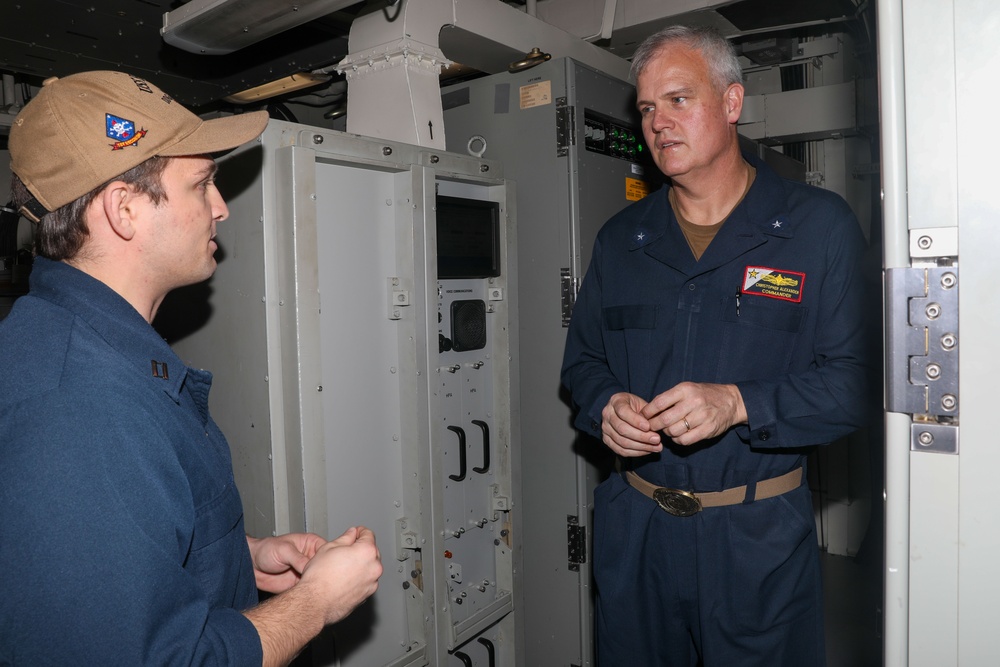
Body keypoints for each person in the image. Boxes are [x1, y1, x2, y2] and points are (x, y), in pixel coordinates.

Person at [0, 71, 382, 666]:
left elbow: (110, 557)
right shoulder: (75, 408)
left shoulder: (94, 350)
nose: (221, 209)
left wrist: (238, 555)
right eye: (201, 184)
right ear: (125, 210)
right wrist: (318, 601)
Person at [561, 26, 871, 666]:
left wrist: (737, 403)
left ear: (732, 103)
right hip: (637, 532)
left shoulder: (818, 228)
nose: (658, 123)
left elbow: (855, 385)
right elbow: (582, 362)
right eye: (647, 108)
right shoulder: (623, 240)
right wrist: (605, 407)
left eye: (678, 100)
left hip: (753, 540)